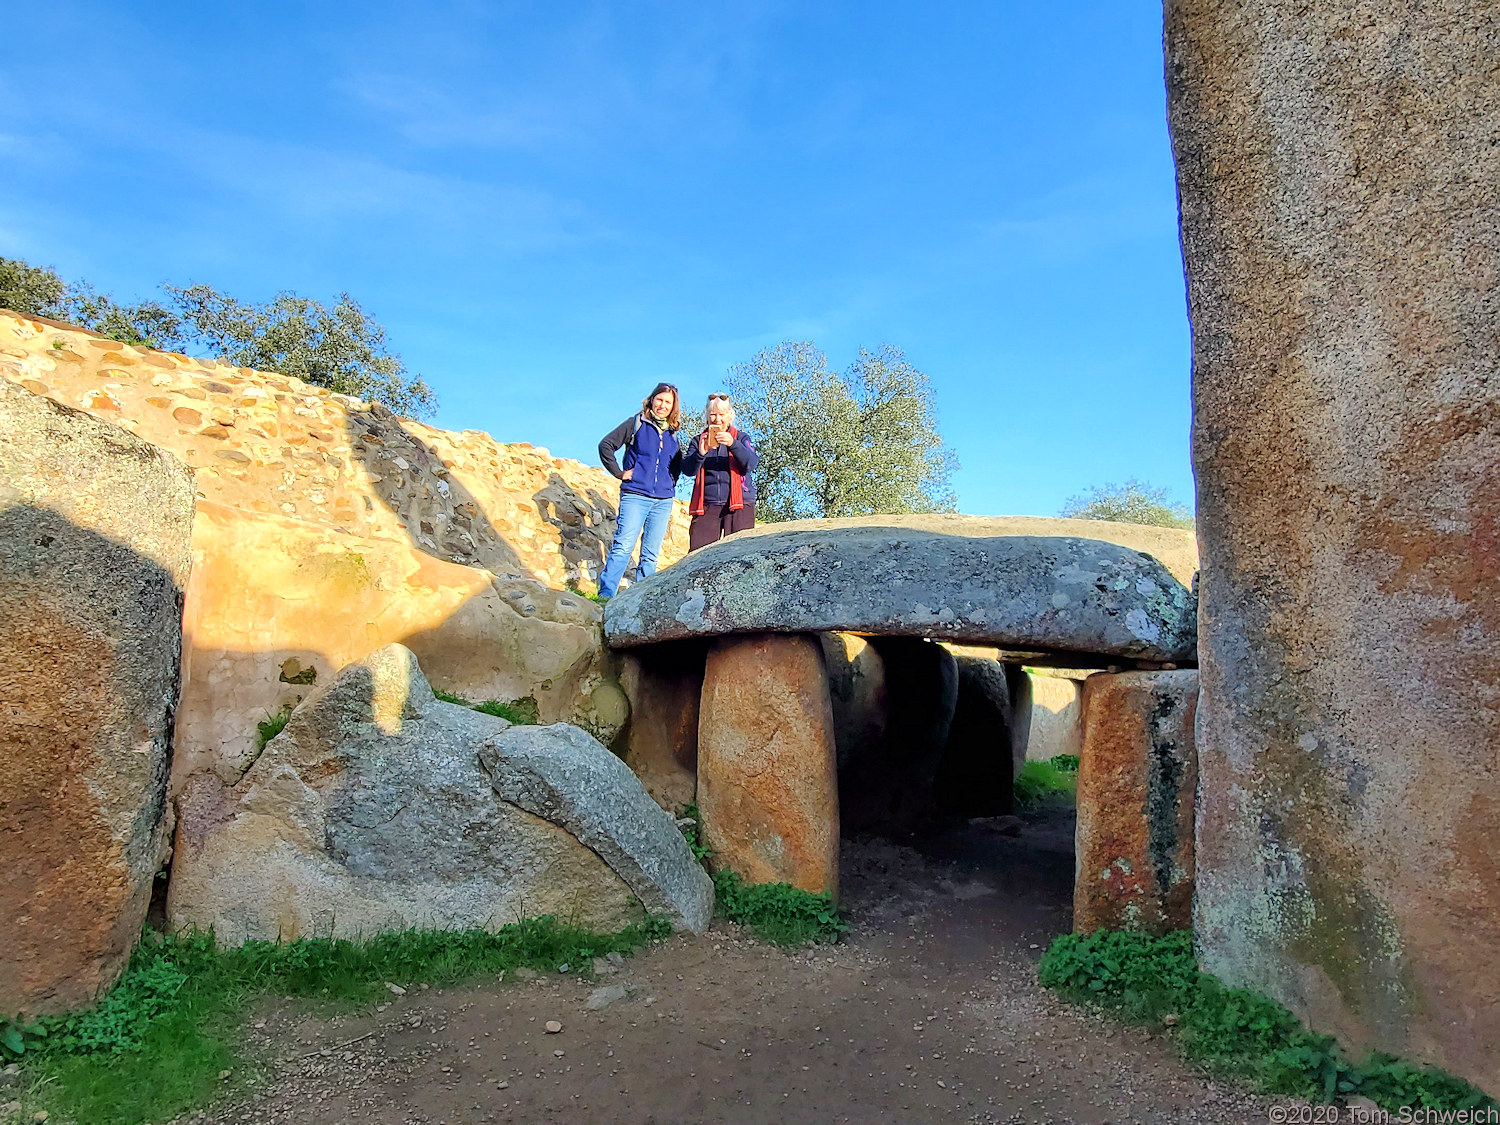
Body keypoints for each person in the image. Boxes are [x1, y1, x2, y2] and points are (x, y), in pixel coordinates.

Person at [596, 382, 683, 597]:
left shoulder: (673, 434)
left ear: (673, 407)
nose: (663, 405)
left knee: (650, 555)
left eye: (668, 402)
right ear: (652, 400)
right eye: (659, 399)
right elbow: (605, 445)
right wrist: (619, 472)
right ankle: (606, 595)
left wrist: (670, 482)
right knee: (623, 546)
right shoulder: (636, 423)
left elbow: (677, 465)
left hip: (662, 501)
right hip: (635, 495)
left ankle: (640, 599)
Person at [680, 392, 758, 550]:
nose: (717, 419)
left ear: (730, 416)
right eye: (712, 415)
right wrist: (700, 454)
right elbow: (688, 470)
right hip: (707, 505)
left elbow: (751, 464)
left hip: (740, 505)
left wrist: (733, 444)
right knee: (699, 555)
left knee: (740, 554)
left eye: (721, 414)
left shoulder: (742, 438)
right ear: (707, 416)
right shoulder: (698, 440)